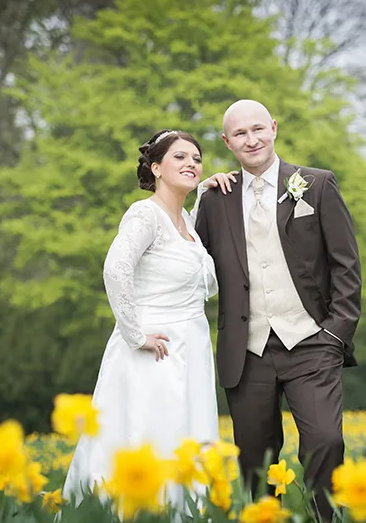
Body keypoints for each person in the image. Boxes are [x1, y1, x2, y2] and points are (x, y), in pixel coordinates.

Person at [194, 99, 362, 521]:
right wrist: (198, 195)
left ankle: (328, 519)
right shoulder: (216, 200)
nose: (251, 140)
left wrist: (336, 332)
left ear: (273, 128)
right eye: (240, 134)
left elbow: (346, 263)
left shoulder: (317, 184)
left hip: (311, 343)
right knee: (255, 460)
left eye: (257, 129)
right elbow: (192, 264)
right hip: (246, 351)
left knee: (325, 441)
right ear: (227, 142)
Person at [61, 130, 236, 510]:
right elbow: (116, 268)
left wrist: (207, 187)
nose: (191, 163)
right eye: (180, 158)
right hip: (153, 351)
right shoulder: (145, 215)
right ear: (156, 168)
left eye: (197, 158)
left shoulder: (187, 223)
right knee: (151, 436)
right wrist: (135, 334)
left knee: (183, 443)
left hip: (192, 351)